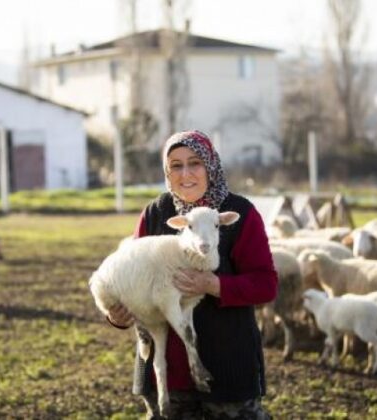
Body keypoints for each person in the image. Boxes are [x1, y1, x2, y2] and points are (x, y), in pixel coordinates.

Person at [107, 130, 278, 419]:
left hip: (226, 368)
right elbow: (130, 275)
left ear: (210, 165)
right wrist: (117, 315)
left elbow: (266, 284)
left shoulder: (239, 214)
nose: (185, 173)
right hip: (167, 375)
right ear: (166, 171)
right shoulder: (156, 213)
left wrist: (215, 285)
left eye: (195, 162)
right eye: (176, 165)